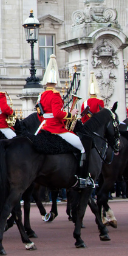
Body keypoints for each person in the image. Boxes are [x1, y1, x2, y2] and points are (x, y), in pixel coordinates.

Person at [36, 56, 93, 188]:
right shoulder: (55, 95)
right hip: (56, 128)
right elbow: (57, 114)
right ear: (56, 81)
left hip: (44, 126)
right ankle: (82, 178)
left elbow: (40, 114)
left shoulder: (42, 95)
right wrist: (70, 114)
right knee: (83, 147)